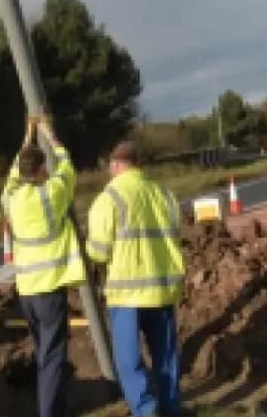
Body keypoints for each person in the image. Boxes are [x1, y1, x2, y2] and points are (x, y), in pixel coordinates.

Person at [86, 141, 185, 417]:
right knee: (165, 354)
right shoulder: (163, 193)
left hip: (127, 292)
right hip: (162, 288)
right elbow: (175, 232)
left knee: (129, 358)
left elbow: (98, 251)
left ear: (115, 165)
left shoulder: (110, 198)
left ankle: (145, 409)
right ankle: (171, 406)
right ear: (138, 164)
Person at [1, 115, 85, 417]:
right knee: (52, 356)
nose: (48, 170)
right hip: (50, 289)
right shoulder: (53, 193)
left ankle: (56, 407)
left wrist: (28, 134)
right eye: (43, 167)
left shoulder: (10, 198)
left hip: (27, 291)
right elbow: (66, 163)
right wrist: (49, 131)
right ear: (39, 171)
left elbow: (14, 171)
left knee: (44, 354)